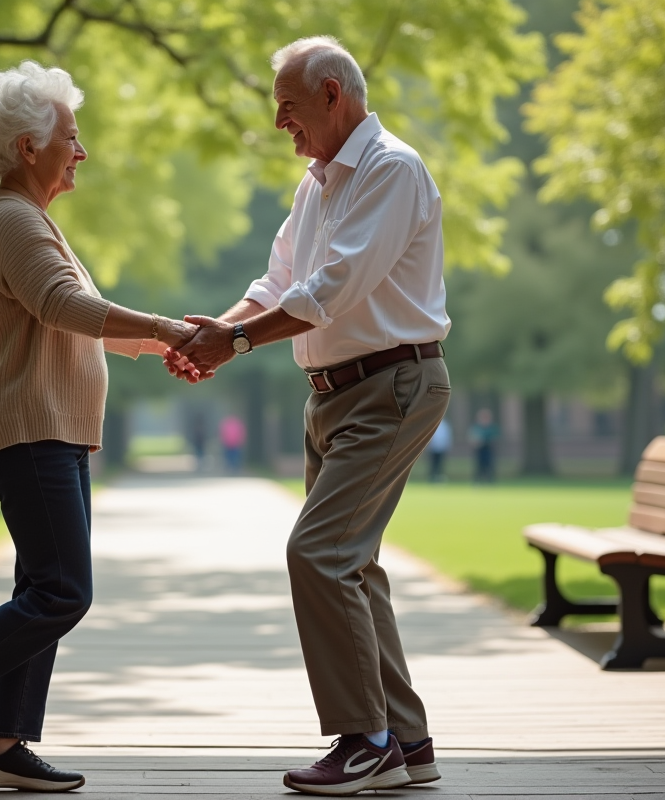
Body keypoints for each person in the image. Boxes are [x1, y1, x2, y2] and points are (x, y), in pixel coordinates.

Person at [0, 62, 198, 793]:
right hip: (28, 434)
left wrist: (161, 345)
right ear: (30, 146)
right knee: (63, 591)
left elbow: (77, 322)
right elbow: (64, 307)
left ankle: (3, 745)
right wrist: (166, 327)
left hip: (51, 431)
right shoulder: (11, 222)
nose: (81, 152)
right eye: (71, 137)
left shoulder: (30, 222)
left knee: (41, 589)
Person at [166, 36, 450, 796]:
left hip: (391, 385)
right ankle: (407, 738)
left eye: (288, 109)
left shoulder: (392, 170)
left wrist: (233, 341)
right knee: (351, 562)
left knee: (317, 553)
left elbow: (333, 288)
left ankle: (366, 741)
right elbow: (278, 280)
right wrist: (213, 335)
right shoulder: (317, 184)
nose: (281, 125)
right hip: (332, 393)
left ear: (333, 95)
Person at [469, 408, 499, 483]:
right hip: (479, 450)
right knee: (479, 466)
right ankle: (478, 481)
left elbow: (495, 438)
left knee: (489, 466)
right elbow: (472, 438)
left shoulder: (492, 428)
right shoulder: (477, 428)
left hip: (489, 449)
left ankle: (489, 481)